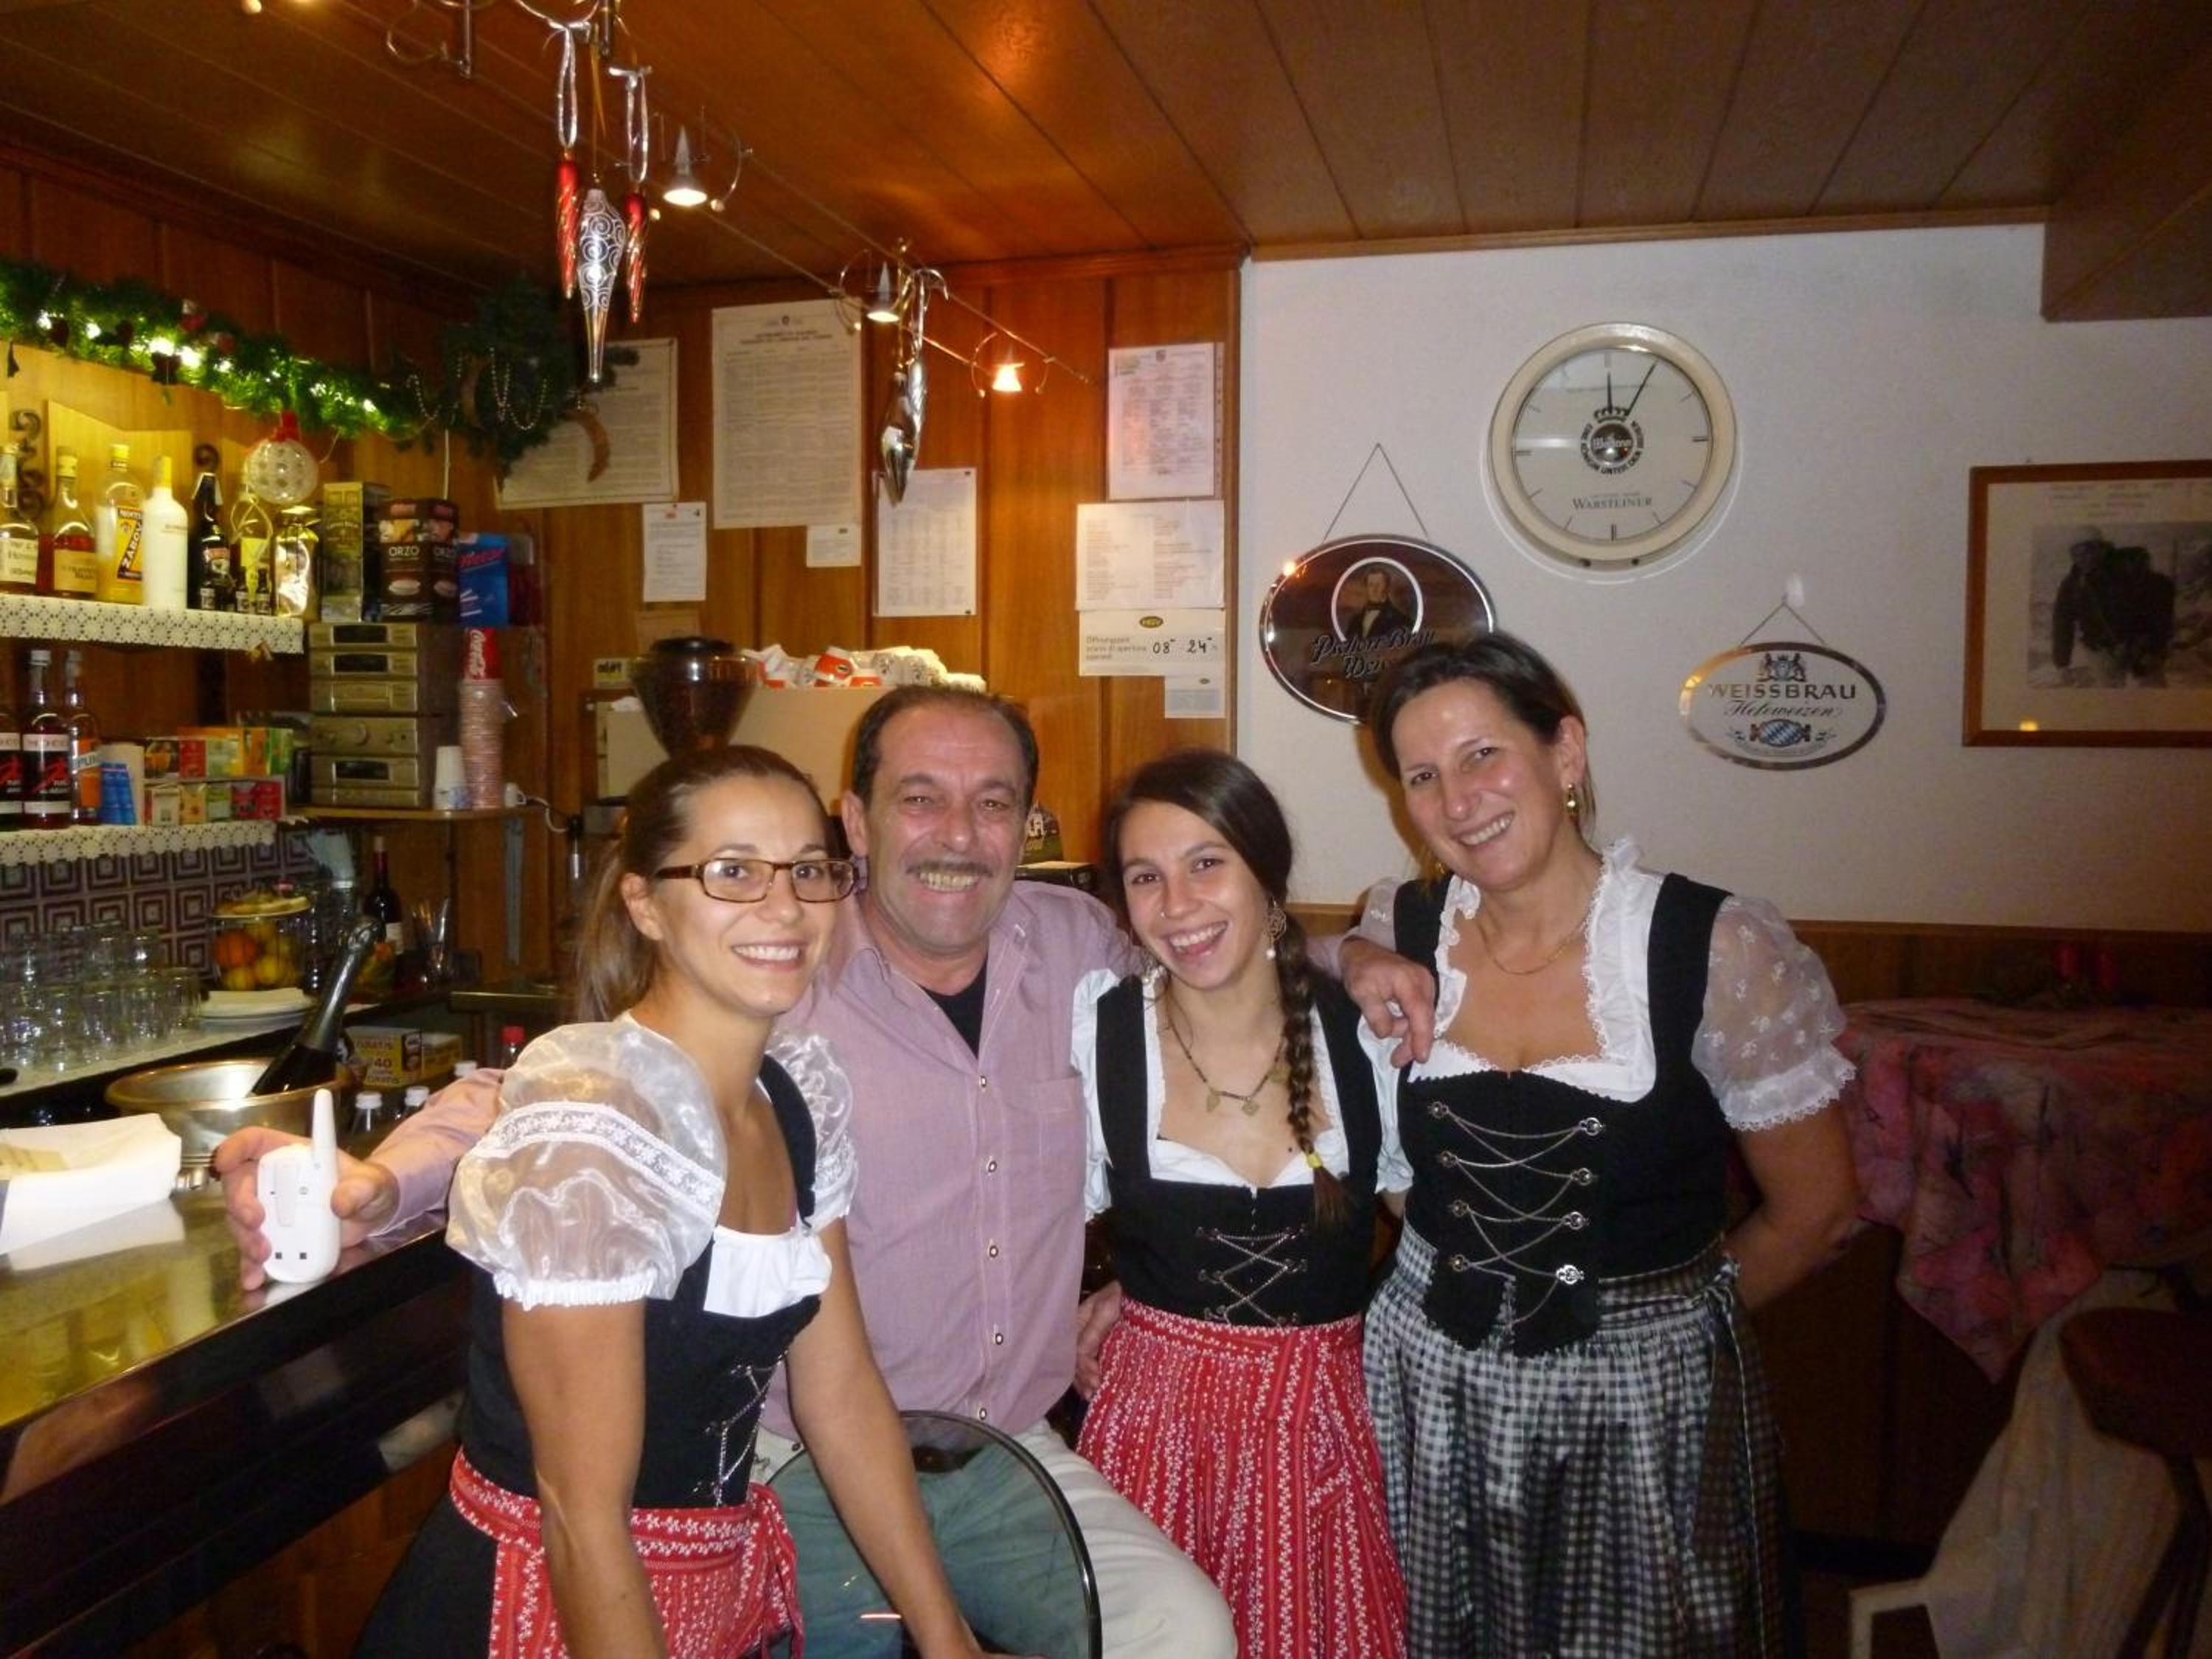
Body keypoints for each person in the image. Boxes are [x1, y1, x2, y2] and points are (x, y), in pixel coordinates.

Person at [218, 686, 1241, 1659]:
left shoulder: (830, 1075)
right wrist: (376, 1185)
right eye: (734, 872)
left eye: (994, 802)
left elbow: (1235, 1014)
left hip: (939, 1469)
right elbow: (535, 1109)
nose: (781, 906)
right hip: (611, 1570)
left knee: (1185, 1632)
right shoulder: (645, 1089)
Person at [352, 745, 981, 1658]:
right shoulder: (593, 1139)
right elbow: (581, 1516)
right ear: (645, 904)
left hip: (705, 1594)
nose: (785, 907)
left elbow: (842, 1394)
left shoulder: (795, 1101)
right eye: (733, 871)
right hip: (540, 1611)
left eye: (809, 870)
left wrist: (948, 1636)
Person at [1340, 633, 1862, 1657]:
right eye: (1423, 776)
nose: (1458, 799)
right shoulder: (1402, 927)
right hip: (1424, 1386)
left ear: (1565, 752)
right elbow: (1397, 1162)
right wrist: (1358, 953)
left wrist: (1663, 1328)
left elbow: (1820, 1213)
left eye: (1483, 755)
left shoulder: (1717, 948)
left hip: (1639, 1410)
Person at [1071, 749, 1406, 1657]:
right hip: (1153, 1436)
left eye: (1206, 863)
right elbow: (1024, 1219)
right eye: (1146, 876)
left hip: (1322, 1436)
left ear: (1268, 874)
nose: (1178, 905)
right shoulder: (1099, 1035)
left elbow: (1438, 1239)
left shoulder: (1365, 1036)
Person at [1340, 565, 1416, 641]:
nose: (1374, 589)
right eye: (1371, 585)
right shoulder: (1355, 621)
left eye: (1378, 585)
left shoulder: (1402, 621)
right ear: (1366, 588)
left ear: (1387, 588)